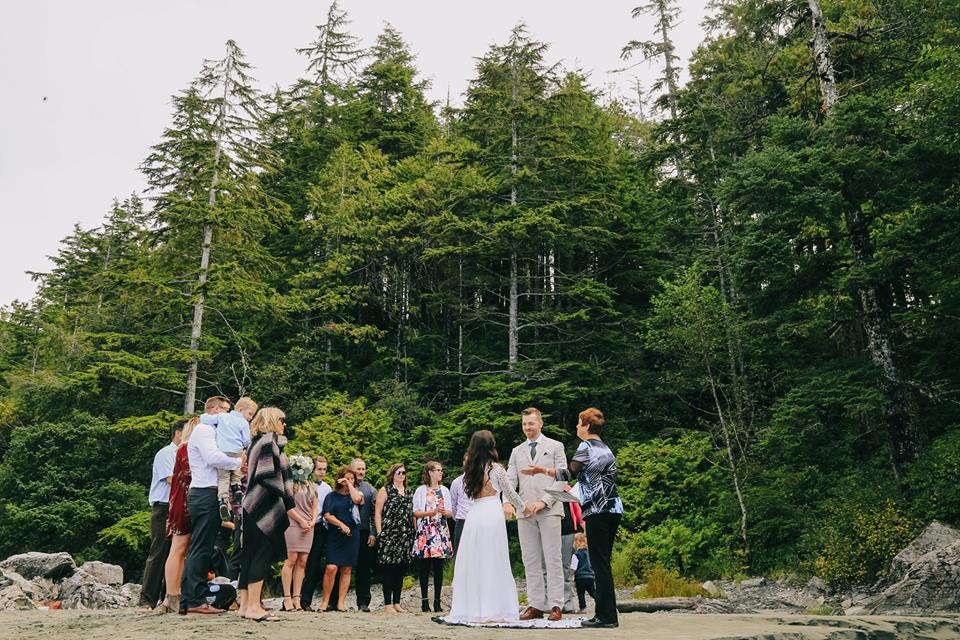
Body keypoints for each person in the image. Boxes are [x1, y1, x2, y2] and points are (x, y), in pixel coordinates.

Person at [521, 407, 624, 628]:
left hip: (597, 510)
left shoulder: (586, 446)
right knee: (603, 563)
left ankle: (605, 617)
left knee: (599, 564)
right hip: (613, 508)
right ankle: (608, 614)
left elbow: (568, 473)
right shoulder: (605, 448)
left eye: (579, 423)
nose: (576, 427)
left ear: (587, 426)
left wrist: (542, 470)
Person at [445, 430, 526, 624]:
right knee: (494, 559)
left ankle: (474, 608)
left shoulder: (470, 470)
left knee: (476, 561)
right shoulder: (496, 469)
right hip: (491, 513)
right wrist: (524, 507)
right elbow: (509, 493)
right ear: (491, 446)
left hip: (474, 514)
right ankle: (493, 609)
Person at [237, 407, 303, 622]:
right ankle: (254, 607)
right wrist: (287, 494)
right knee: (261, 554)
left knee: (249, 555)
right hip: (263, 506)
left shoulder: (255, 442)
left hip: (251, 505)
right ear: (272, 421)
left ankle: (245, 605)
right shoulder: (268, 441)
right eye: (281, 420)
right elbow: (266, 475)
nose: (284, 425)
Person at [503, 407, 568, 621]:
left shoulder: (555, 446)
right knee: (530, 559)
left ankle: (556, 604)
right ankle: (536, 604)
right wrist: (510, 502)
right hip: (525, 511)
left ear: (540, 423)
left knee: (553, 558)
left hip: (549, 509)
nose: (527, 427)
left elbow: (562, 478)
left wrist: (543, 501)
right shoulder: (517, 451)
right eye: (524, 424)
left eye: (531, 423)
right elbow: (510, 481)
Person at [179, 397, 243, 615]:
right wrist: (238, 462)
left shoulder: (216, 432)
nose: (228, 415)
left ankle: (189, 599)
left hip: (209, 493)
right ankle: (194, 600)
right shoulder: (204, 430)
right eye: (225, 410)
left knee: (203, 548)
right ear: (214, 410)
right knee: (201, 548)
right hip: (204, 493)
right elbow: (212, 458)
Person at [137, 419, 183, 611]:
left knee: (177, 552)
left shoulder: (185, 454)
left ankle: (169, 597)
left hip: (178, 507)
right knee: (158, 552)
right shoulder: (166, 453)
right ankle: (147, 599)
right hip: (163, 507)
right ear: (178, 433)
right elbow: (171, 479)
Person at [162, 417, 199, 614]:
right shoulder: (186, 449)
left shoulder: (184, 448)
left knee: (182, 550)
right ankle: (171, 594)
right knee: (178, 549)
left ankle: (174, 594)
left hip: (183, 501)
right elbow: (189, 475)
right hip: (183, 502)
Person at [200, 396, 256, 522]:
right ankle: (236, 487)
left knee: (223, 478)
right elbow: (247, 440)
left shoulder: (222, 416)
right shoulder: (244, 423)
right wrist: (244, 446)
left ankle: (223, 500)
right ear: (240, 409)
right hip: (236, 452)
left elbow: (205, 419)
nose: (251, 417)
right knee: (236, 470)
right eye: (250, 414)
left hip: (223, 452)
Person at [319, 466, 364, 612]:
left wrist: (349, 484)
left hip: (352, 535)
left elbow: (357, 500)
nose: (349, 480)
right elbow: (327, 515)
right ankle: (325, 601)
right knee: (331, 568)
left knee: (347, 568)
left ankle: (341, 603)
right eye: (346, 478)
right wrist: (341, 524)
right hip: (335, 534)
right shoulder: (331, 496)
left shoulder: (357, 494)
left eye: (352, 478)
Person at [412, 460, 453, 613]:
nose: (441, 473)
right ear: (430, 472)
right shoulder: (420, 490)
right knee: (424, 566)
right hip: (425, 530)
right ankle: (424, 601)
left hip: (440, 530)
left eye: (441, 470)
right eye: (438, 470)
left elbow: (450, 512)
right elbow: (415, 512)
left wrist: (444, 512)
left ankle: (437, 602)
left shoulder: (445, 490)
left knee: (438, 567)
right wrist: (429, 513)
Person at [374, 463, 415, 614]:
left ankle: (397, 602)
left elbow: (412, 514)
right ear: (392, 474)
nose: (401, 475)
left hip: (405, 535)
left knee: (400, 569)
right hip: (389, 534)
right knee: (388, 569)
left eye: (403, 472)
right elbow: (377, 513)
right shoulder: (385, 490)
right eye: (399, 472)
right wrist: (380, 533)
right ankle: (387, 604)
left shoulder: (409, 492)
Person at [281, 454, 317, 612]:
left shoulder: (311, 485)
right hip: (293, 524)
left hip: (308, 526)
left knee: (303, 561)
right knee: (291, 559)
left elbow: (315, 506)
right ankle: (287, 598)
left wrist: (313, 521)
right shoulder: (290, 485)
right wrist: (301, 521)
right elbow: (287, 506)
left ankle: (297, 597)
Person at [300, 456, 331, 611]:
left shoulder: (327, 488)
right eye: (319, 469)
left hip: (318, 528)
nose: (322, 472)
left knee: (313, 564)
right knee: (299, 562)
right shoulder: (302, 485)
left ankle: (305, 600)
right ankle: (291, 599)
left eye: (324, 469)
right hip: (302, 526)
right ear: (312, 469)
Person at [349, 458, 377, 612]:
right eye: (358, 469)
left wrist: (373, 533)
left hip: (363, 532)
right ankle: (334, 601)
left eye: (363, 469)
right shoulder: (344, 486)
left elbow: (374, 514)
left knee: (364, 568)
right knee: (342, 566)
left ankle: (363, 601)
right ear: (351, 469)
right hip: (345, 531)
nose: (361, 472)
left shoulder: (370, 490)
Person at [448, 455, 472, 554]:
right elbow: (452, 504)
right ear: (463, 463)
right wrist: (459, 519)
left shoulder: (482, 482)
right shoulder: (456, 482)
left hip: (478, 523)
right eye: (466, 461)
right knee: (460, 555)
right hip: (461, 522)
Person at [572, 532, 596, 613]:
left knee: (580, 593)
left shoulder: (576, 554)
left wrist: (571, 575)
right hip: (590, 576)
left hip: (580, 577)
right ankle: (600, 602)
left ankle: (583, 607)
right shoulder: (589, 553)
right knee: (592, 592)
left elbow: (573, 567)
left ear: (576, 542)